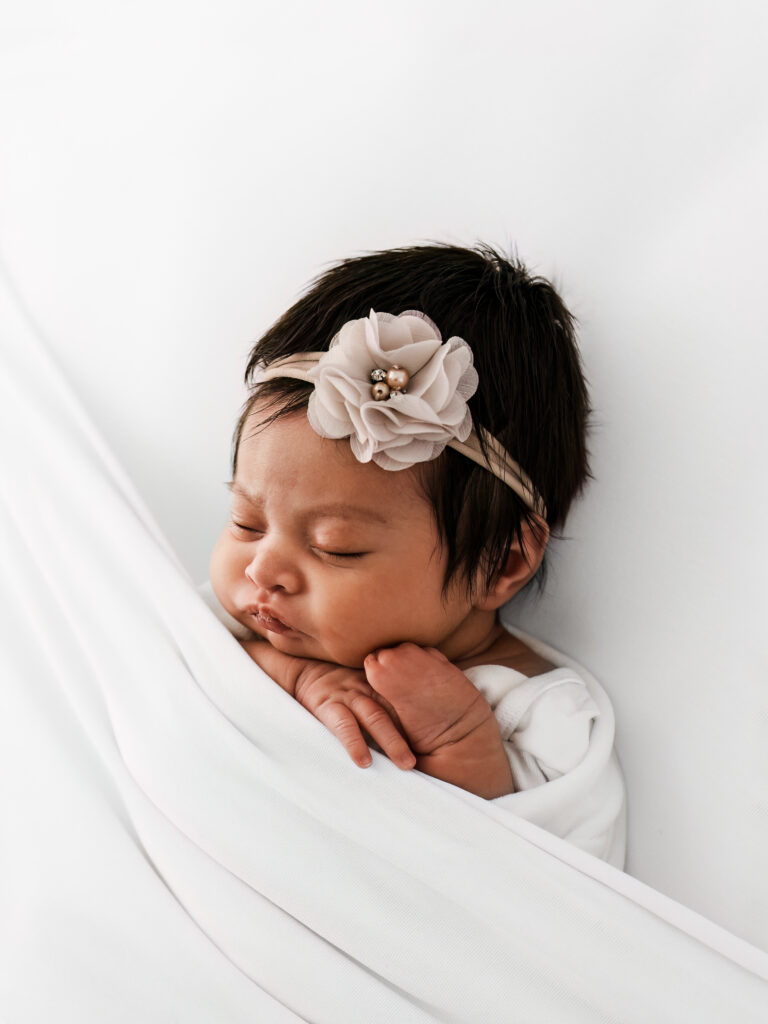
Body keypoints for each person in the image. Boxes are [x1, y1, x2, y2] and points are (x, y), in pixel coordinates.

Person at [204, 243, 625, 861]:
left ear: (499, 563)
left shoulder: (540, 719)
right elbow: (166, 663)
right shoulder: (243, 633)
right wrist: (295, 675)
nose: (262, 570)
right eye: (245, 521)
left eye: (336, 548)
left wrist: (462, 741)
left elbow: (518, 888)